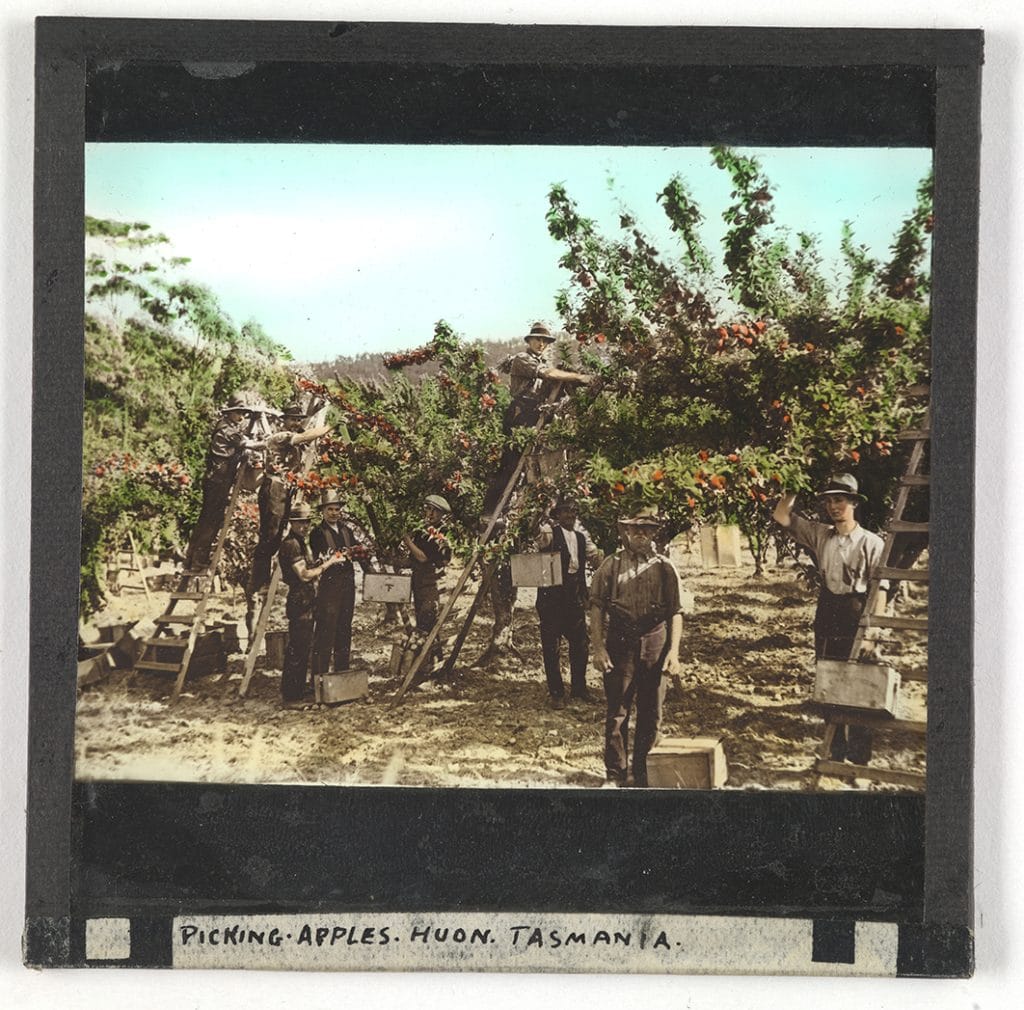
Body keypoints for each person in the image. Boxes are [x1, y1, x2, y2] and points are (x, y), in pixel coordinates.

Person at [772, 472, 885, 765]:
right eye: (830, 501)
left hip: (857, 613)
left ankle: (859, 759)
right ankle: (835, 753)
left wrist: (873, 632)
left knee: (860, 685)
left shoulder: (871, 543)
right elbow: (782, 515)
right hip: (828, 611)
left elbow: (880, 589)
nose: (834, 507)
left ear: (854, 504)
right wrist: (793, 484)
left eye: (841, 501)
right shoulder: (821, 534)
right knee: (829, 682)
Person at [589, 506, 684, 787]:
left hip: (656, 640)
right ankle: (615, 774)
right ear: (626, 532)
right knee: (618, 711)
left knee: (651, 710)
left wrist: (674, 652)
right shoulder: (611, 565)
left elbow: (676, 611)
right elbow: (596, 608)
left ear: (655, 533)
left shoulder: (665, 568)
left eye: (647, 529)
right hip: (620, 642)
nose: (641, 534)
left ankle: (643, 774)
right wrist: (598, 648)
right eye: (635, 529)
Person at [481, 322, 591, 523]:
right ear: (529, 341)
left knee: (544, 463)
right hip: (521, 414)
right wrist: (580, 377)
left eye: (545, 341)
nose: (541, 344)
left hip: (539, 415)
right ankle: (490, 511)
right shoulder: (522, 359)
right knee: (511, 463)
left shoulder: (545, 362)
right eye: (537, 339)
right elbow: (547, 374)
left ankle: (543, 511)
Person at [247, 402, 332, 597]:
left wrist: (311, 413)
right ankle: (259, 581)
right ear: (283, 420)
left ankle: (276, 577)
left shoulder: (291, 435)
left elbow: (302, 430)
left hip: (286, 489)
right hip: (275, 488)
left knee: (281, 534)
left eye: (298, 419)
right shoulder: (279, 437)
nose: (296, 423)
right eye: (292, 419)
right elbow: (302, 435)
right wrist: (329, 427)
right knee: (271, 534)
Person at [534, 497, 603, 708]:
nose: (570, 516)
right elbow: (535, 533)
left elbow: (581, 570)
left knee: (580, 643)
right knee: (551, 647)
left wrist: (583, 594)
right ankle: (556, 693)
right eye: (566, 512)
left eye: (573, 512)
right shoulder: (549, 534)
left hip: (573, 598)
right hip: (552, 600)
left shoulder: (580, 539)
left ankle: (579, 689)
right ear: (557, 515)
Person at [184, 392, 262, 572]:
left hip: (217, 478)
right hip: (218, 480)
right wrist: (269, 443)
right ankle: (198, 561)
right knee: (212, 520)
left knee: (206, 519)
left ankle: (191, 558)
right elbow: (247, 445)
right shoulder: (227, 430)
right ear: (229, 413)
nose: (241, 417)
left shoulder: (227, 426)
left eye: (243, 413)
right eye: (238, 413)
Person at [277, 502, 345, 707]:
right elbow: (304, 575)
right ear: (292, 523)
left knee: (303, 647)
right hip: (300, 600)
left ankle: (297, 689)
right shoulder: (291, 544)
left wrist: (317, 563)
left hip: (306, 599)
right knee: (297, 649)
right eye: (300, 523)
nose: (304, 526)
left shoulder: (300, 542)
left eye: (306, 522)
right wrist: (327, 564)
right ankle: (291, 697)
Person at [308, 489, 370, 677]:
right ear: (323, 511)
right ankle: (320, 677)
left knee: (344, 628)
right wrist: (342, 556)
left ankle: (342, 674)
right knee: (326, 630)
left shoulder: (346, 530)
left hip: (347, 585)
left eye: (337, 509)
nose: (334, 513)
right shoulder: (317, 533)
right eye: (330, 509)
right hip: (329, 586)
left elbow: (357, 552)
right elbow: (321, 558)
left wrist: (364, 557)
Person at [400, 494, 453, 673]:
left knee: (426, 620)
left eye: (434, 511)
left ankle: (425, 665)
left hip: (432, 583)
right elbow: (413, 559)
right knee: (427, 622)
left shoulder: (441, 534)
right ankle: (435, 661)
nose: (429, 513)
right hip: (419, 582)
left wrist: (407, 540)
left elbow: (422, 557)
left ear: (441, 515)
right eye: (428, 509)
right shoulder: (422, 531)